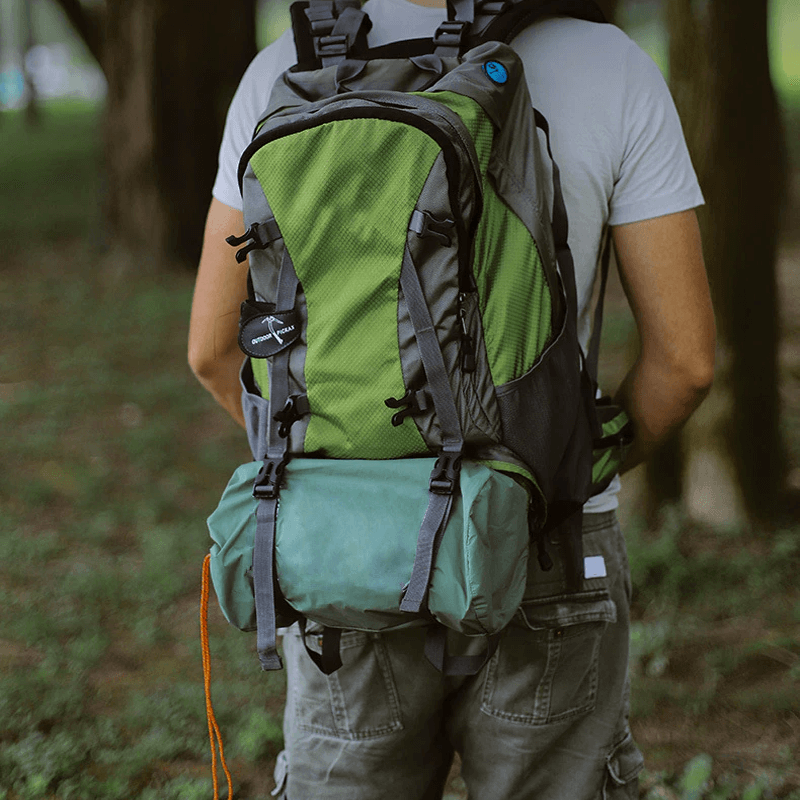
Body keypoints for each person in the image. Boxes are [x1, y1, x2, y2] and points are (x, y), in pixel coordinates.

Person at [188, 0, 716, 797]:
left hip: (342, 549)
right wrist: (556, 476)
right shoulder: (609, 66)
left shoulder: (282, 74)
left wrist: (340, 467)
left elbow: (213, 350)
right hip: (549, 539)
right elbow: (686, 364)